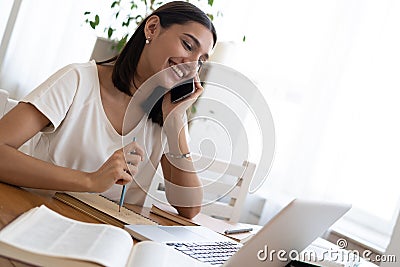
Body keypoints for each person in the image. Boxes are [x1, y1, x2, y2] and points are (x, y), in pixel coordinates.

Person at [0, 1, 217, 219]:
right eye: (188, 46)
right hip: (38, 220)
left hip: (109, 239)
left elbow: (189, 208)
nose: (191, 65)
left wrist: (176, 121)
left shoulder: (168, 114)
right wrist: (90, 180)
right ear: (152, 28)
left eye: (200, 62)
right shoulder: (77, 80)